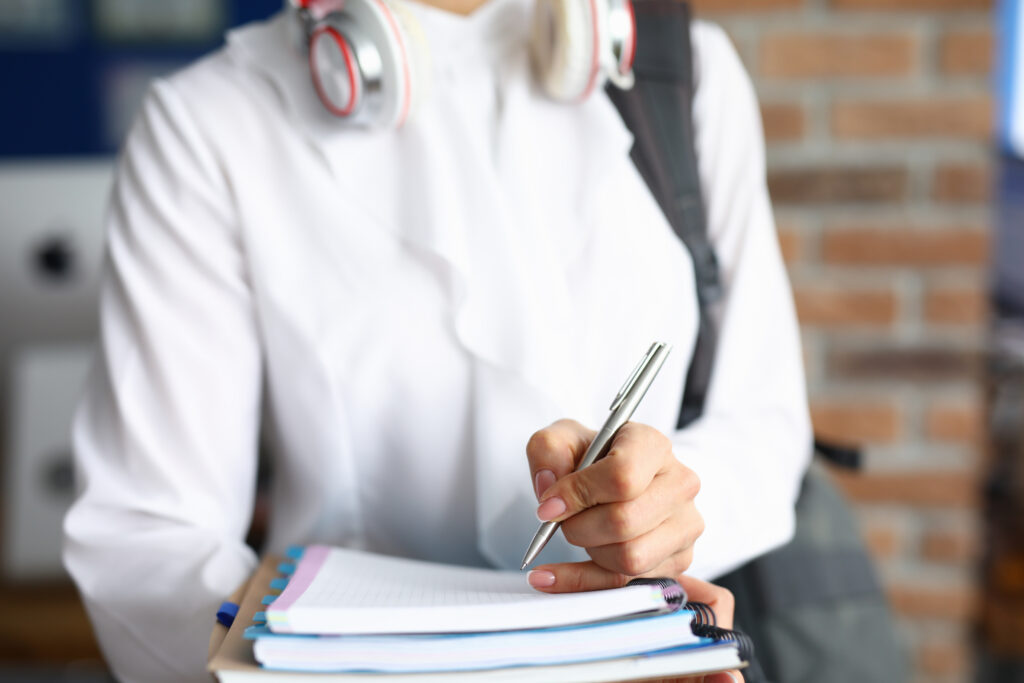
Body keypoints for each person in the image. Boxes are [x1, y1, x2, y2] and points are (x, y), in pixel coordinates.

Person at [62, 0, 810, 680]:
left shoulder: (683, 79)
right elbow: (147, 533)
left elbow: (764, 427)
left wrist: (662, 509)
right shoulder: (211, 122)